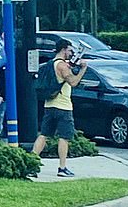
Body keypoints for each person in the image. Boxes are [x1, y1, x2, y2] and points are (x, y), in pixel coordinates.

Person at [33, 38, 88, 177]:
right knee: (64, 137)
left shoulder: (52, 63)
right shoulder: (62, 66)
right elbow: (73, 82)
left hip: (49, 104)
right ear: (63, 49)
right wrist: (83, 69)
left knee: (44, 135)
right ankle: (62, 168)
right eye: (70, 50)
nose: (71, 53)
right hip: (63, 107)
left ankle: (31, 162)